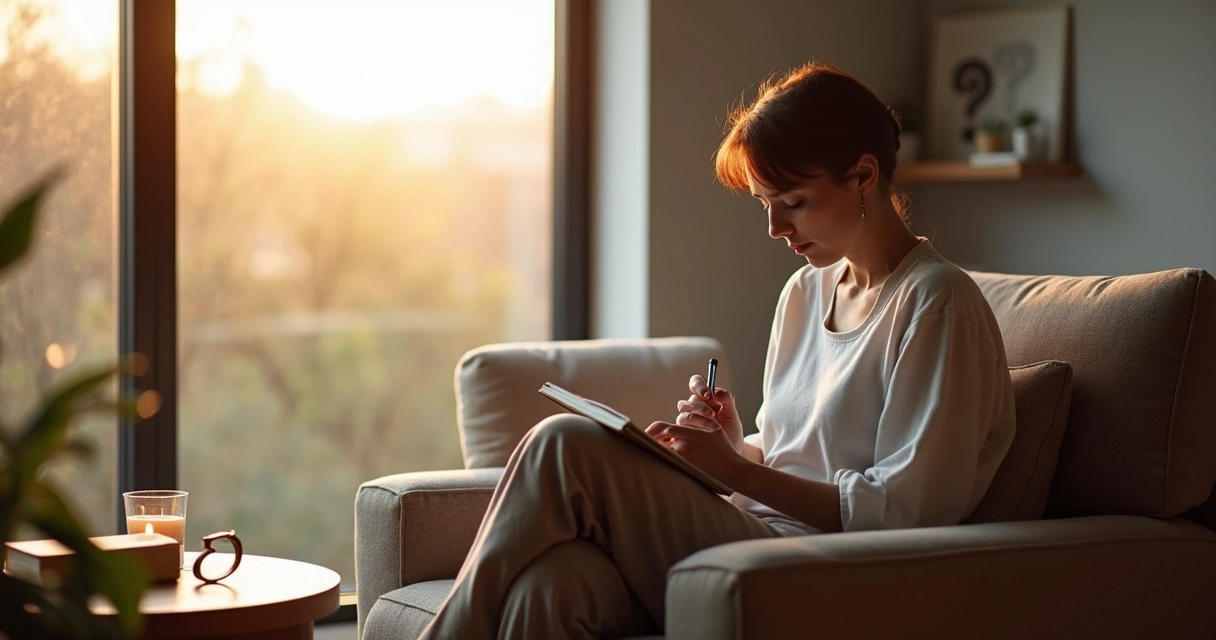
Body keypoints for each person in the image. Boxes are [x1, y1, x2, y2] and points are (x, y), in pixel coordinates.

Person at [416, 61, 1016, 640]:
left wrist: (736, 471)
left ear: (862, 176)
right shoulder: (807, 291)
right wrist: (734, 444)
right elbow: (795, 455)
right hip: (753, 534)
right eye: (765, 205)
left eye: (793, 201)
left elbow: (908, 513)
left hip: (831, 568)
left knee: (562, 442)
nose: (776, 228)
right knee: (549, 587)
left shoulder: (937, 305)